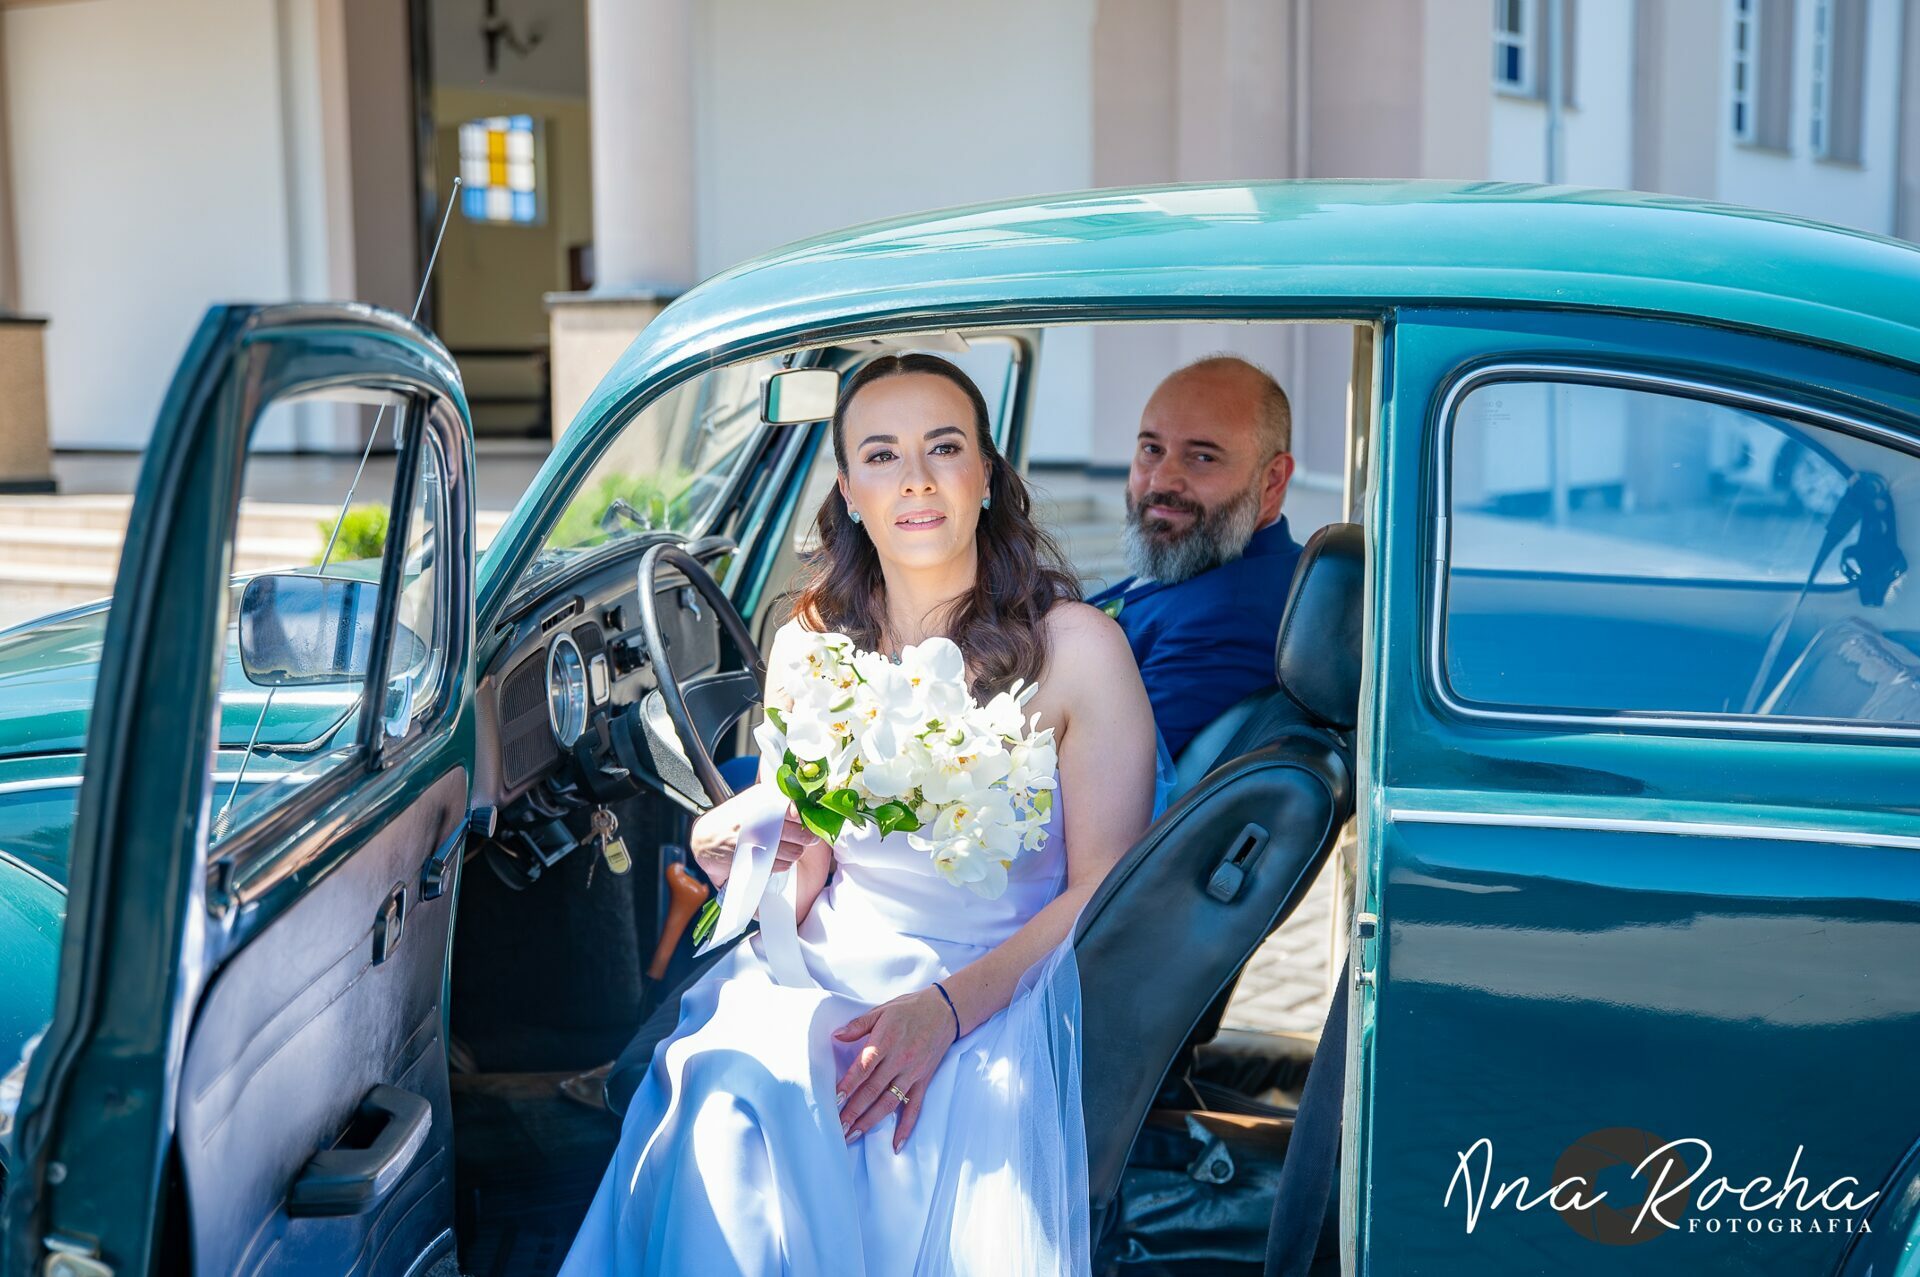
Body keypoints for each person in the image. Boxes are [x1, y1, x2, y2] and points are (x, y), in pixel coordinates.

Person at [560, 354, 1157, 1276]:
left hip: (999, 985)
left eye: (943, 448)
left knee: (889, 1139)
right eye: (882, 455)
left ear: (987, 475)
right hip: (828, 959)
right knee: (727, 1084)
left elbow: (1108, 891)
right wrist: (741, 854)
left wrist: (945, 1012)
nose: (915, 478)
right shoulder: (809, 644)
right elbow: (810, 864)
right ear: (849, 489)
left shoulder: (1079, 650)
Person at [1087, 354, 1306, 759]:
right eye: (1151, 448)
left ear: (1272, 479)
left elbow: (1107, 767)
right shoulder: (1204, 564)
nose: (1162, 480)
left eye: (1203, 457)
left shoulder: (1233, 615)